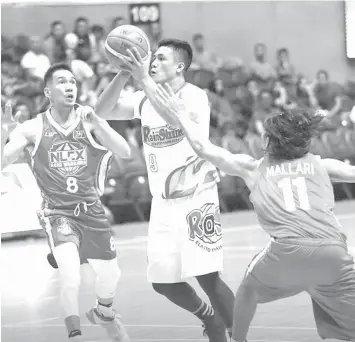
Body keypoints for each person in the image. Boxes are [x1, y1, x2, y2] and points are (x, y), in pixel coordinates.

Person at [153, 89, 355, 342]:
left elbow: (203, 148)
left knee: (247, 292)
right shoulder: (321, 164)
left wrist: (181, 115)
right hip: (335, 254)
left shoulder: (253, 168)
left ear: (270, 141)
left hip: (288, 252)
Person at [94, 39, 235, 341]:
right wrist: (123, 72)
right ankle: (209, 318)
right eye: (152, 59)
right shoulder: (144, 98)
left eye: (160, 58)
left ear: (180, 66)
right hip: (163, 203)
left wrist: (143, 78)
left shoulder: (194, 96)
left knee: (207, 277)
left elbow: (176, 118)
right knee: (162, 282)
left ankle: (240, 336)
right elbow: (102, 110)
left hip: (196, 197)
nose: (153, 63)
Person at [1, 63, 132, 342]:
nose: (69, 86)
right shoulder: (32, 128)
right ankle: (75, 335)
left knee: (111, 277)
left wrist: (99, 122)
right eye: (62, 82)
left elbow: (125, 151)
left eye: (72, 81)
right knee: (71, 277)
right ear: (48, 91)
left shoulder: (88, 119)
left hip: (93, 211)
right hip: (58, 214)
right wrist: (5, 133)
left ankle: (104, 312)